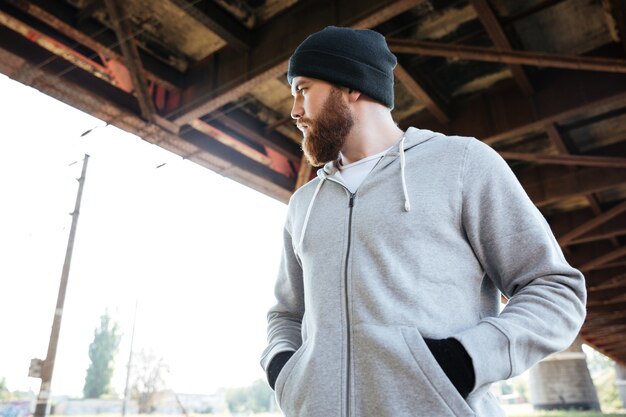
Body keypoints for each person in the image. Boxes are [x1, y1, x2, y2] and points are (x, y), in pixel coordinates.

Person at [260, 26, 586, 417]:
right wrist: (284, 371)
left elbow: (554, 288)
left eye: (303, 88)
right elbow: (286, 313)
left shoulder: (462, 164)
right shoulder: (303, 204)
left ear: (351, 86)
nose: (294, 110)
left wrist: (463, 362)